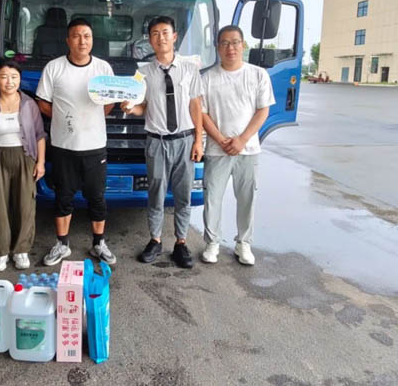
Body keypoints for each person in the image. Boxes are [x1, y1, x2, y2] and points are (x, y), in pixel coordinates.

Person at [122, 16, 203, 269]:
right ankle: (155, 240)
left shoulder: (190, 69)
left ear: (174, 36)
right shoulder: (142, 73)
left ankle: (181, 242)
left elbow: (196, 106)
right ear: (150, 40)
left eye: (165, 33)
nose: (161, 38)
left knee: (183, 194)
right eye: (155, 34)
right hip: (156, 142)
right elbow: (142, 107)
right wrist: (130, 107)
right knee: (155, 192)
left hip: (184, 140)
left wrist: (198, 140)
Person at [36, 17, 117, 266]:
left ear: (92, 40)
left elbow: (109, 103)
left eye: (87, 36)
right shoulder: (54, 68)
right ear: (67, 40)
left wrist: (90, 118)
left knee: (97, 197)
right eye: (76, 36)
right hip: (64, 146)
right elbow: (43, 102)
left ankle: (99, 243)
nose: (82, 41)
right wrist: (65, 118)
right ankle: (62, 245)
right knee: (63, 197)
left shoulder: (103, 69)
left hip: (95, 147)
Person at [200, 25, 275, 266]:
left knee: (246, 198)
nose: (230, 48)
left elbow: (263, 111)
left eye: (235, 42)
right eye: (224, 43)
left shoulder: (258, 75)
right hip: (216, 150)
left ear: (243, 45)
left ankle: (244, 243)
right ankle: (212, 243)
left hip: (248, 150)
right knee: (212, 197)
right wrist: (221, 139)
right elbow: (202, 113)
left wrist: (242, 139)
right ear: (217, 47)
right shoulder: (207, 78)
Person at [0, 59, 46, 272]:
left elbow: (40, 135)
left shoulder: (29, 105)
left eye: (14, 77)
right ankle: (1, 252)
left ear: (20, 80)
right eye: (4, 76)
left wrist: (40, 163)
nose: (9, 81)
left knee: (25, 205)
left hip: (25, 158)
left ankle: (21, 250)